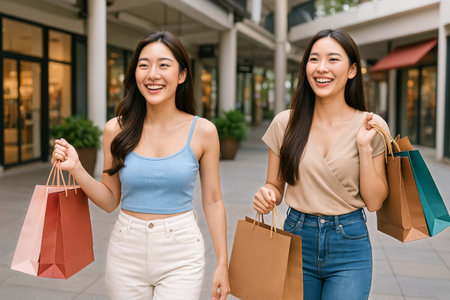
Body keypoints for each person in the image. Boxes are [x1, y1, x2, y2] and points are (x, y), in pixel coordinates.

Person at [52, 31, 229, 300]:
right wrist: (76, 167)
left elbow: (214, 201)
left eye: (164, 65)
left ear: (182, 75)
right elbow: (110, 200)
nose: (152, 74)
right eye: (144, 65)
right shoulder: (116, 129)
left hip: (181, 251)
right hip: (126, 249)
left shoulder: (203, 131)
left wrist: (222, 264)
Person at [253, 29, 389, 300]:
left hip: (349, 244)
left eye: (333, 59)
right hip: (296, 238)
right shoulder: (285, 123)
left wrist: (363, 148)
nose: (321, 68)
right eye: (314, 59)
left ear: (352, 70)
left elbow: (374, 202)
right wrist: (266, 194)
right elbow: (274, 186)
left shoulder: (371, 126)